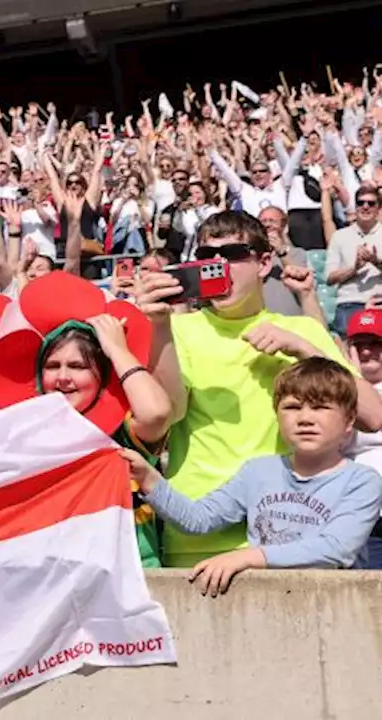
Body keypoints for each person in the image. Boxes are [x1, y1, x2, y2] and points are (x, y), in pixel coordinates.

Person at [136, 211, 382, 568]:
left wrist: (303, 350)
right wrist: (159, 326)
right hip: (197, 527)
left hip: (288, 534)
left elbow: (374, 417)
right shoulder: (177, 330)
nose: (218, 267)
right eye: (207, 258)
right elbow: (170, 412)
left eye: (234, 255)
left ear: (264, 262)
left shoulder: (302, 331)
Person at [125, 358, 382, 596]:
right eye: (292, 407)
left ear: (349, 421)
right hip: (263, 600)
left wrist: (248, 557)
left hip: (332, 606)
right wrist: (150, 480)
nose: (305, 418)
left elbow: (336, 549)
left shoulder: (362, 481)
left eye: (320, 407)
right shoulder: (258, 471)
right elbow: (198, 519)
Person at [0, 271, 173, 567]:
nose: (63, 378)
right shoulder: (24, 433)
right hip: (55, 586)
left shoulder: (125, 431)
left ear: (102, 373)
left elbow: (157, 413)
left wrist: (116, 349)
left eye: (78, 366)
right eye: (53, 366)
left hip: (131, 582)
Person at [343, 307, 382, 568]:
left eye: (376, 343)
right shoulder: (337, 390)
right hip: (356, 516)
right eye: (359, 345)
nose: (367, 351)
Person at [324, 187, 382, 335]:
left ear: (378, 208)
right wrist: (354, 269)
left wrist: (376, 262)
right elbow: (329, 278)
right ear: (355, 207)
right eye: (361, 203)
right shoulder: (339, 236)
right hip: (349, 303)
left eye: (371, 203)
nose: (365, 207)